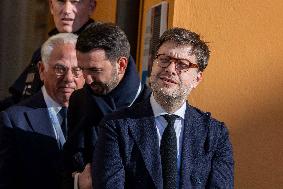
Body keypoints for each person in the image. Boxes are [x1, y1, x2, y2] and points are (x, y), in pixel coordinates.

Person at [93, 28, 234, 189]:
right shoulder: (117, 126)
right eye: (164, 59)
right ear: (153, 64)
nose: (170, 69)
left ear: (197, 78)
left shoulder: (215, 134)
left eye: (182, 64)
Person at [62, 22, 152, 189]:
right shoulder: (79, 101)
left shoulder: (151, 109)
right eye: (82, 70)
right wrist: (77, 183)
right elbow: (66, 166)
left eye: (94, 70)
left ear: (121, 65)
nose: (87, 80)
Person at [0, 33, 84, 189]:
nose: (69, 78)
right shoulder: (14, 120)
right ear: (42, 70)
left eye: (77, 70)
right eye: (60, 68)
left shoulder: (96, 116)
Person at [0, 0, 96, 111]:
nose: (66, 10)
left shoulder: (99, 52)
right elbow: (21, 98)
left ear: (91, 6)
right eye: (60, 2)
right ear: (51, 6)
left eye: (75, 2)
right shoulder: (46, 49)